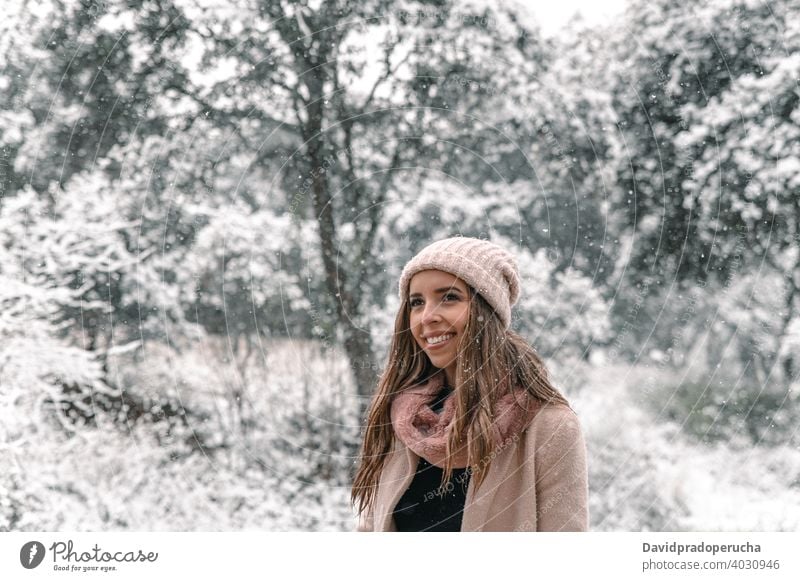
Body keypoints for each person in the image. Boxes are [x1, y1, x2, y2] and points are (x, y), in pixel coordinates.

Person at [351, 236, 589, 532]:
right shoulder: (402, 418)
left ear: (486, 312)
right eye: (416, 302)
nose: (427, 317)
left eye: (449, 297)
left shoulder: (549, 427)